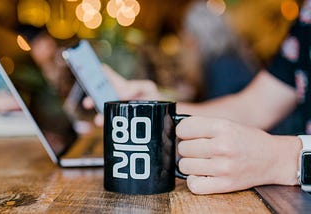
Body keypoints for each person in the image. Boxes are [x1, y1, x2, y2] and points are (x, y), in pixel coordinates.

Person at [83, 1, 311, 195]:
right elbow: (253, 107)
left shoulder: (223, 67)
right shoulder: (305, 18)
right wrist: (160, 108)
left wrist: (281, 158)